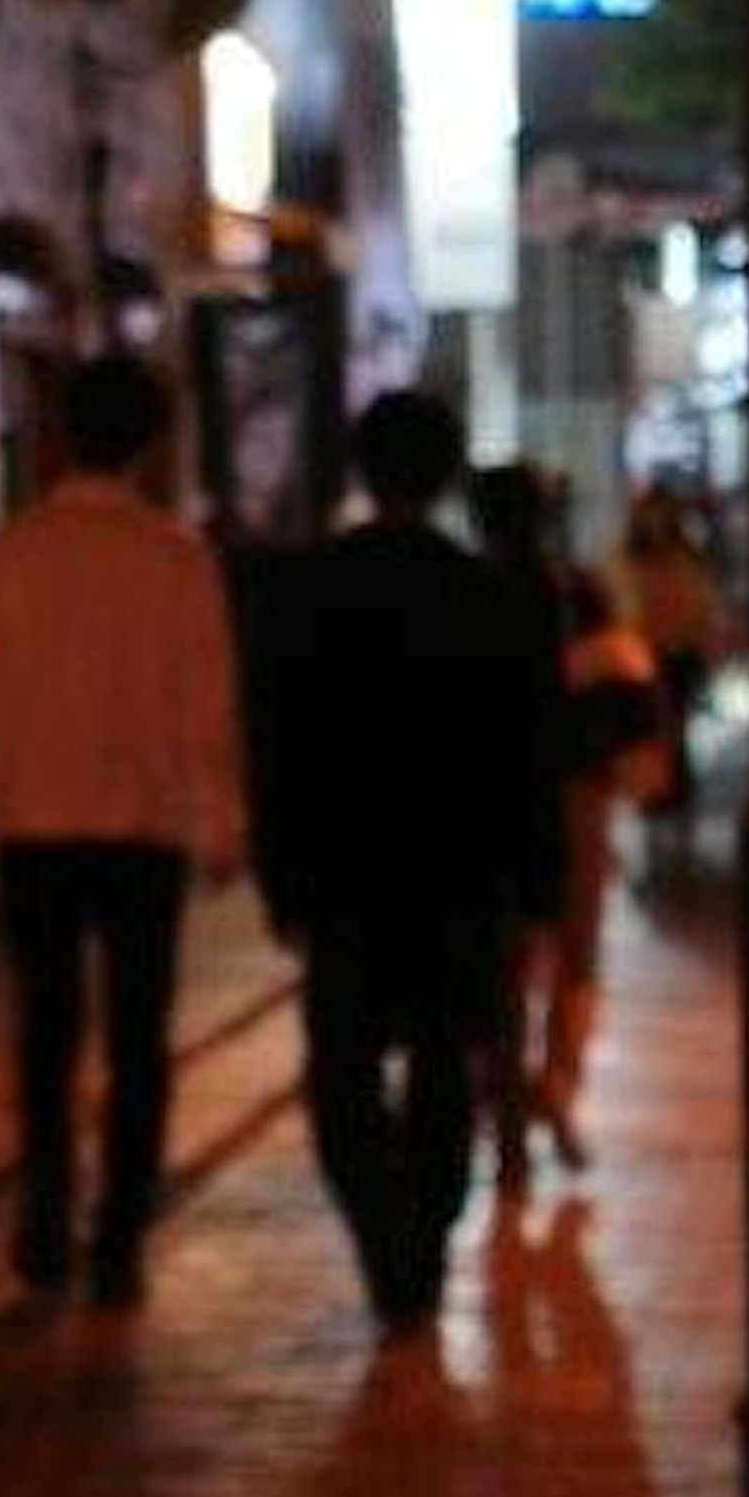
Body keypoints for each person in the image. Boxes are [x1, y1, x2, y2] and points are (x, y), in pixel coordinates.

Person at [255, 389, 565, 1334]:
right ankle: (425, 1239)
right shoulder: (488, 596)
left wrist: (282, 873)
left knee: (341, 1069)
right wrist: (539, 878)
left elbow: (277, 746)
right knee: (443, 1061)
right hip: (457, 873)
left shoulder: (306, 591)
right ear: (444, 476)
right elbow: (528, 750)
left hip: (344, 872)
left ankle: (379, 1231)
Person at [0, 352, 246, 1305]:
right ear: (151, 442)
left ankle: (42, 1212)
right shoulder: (175, 559)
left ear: (64, 433)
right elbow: (206, 704)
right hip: (143, 829)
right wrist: (221, 819)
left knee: (46, 1030)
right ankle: (120, 1234)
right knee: (140, 1037)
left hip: (36, 825)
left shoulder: (5, 557)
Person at [467, 462, 659, 1179]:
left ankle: (511, 1113)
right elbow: (629, 694)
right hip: (575, 795)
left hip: (484, 799)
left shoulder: (467, 593)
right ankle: (556, 1087)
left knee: (501, 959)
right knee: (575, 954)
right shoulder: (579, 594)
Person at [619, 484, 727, 838]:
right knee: (659, 722)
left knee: (671, 720)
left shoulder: (680, 555)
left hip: (675, 649)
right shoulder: (639, 556)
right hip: (648, 650)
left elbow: (700, 602)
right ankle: (664, 789)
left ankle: (670, 788)